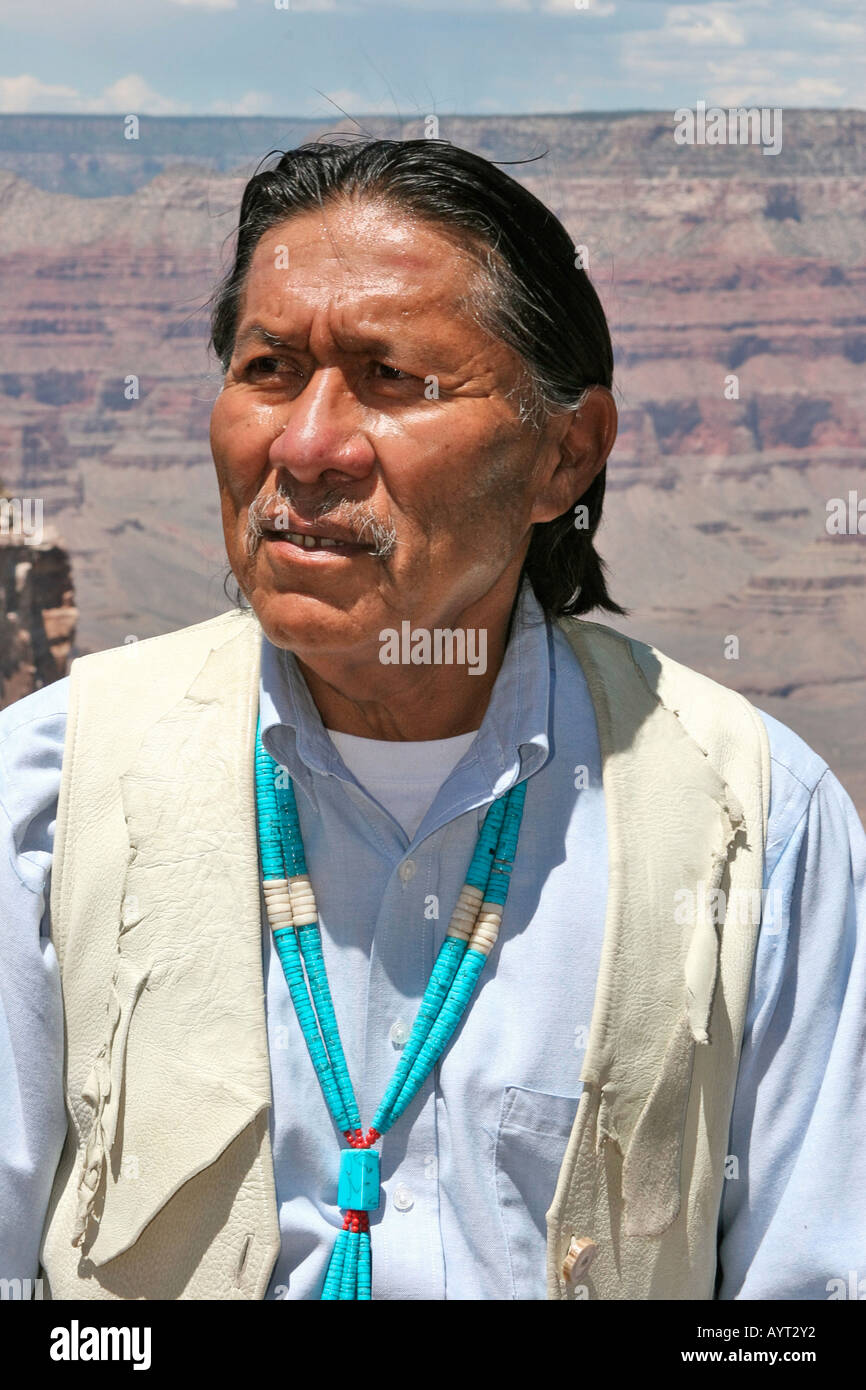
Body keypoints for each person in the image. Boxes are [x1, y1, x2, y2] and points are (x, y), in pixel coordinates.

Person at [1, 138, 864, 1301]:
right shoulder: (48, 805)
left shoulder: (755, 823)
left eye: (394, 380)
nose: (306, 446)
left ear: (565, 454)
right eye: (268, 368)